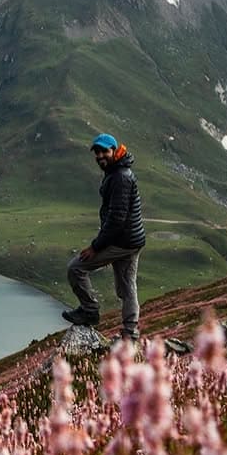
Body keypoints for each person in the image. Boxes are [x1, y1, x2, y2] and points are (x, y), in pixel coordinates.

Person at [62, 133, 145, 340]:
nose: (100, 156)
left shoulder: (121, 177)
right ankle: (130, 334)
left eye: (104, 151)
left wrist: (95, 247)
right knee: (126, 288)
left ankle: (89, 310)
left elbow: (117, 219)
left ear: (114, 151)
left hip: (122, 241)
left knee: (76, 267)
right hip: (131, 241)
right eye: (97, 152)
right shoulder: (116, 171)